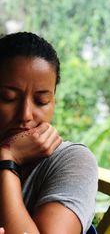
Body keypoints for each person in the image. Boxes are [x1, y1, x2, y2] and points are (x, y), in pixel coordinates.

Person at [0, 32, 98, 234]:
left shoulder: (72, 161)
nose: (25, 115)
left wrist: (7, 158)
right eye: (8, 97)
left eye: (41, 101)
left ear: (54, 102)